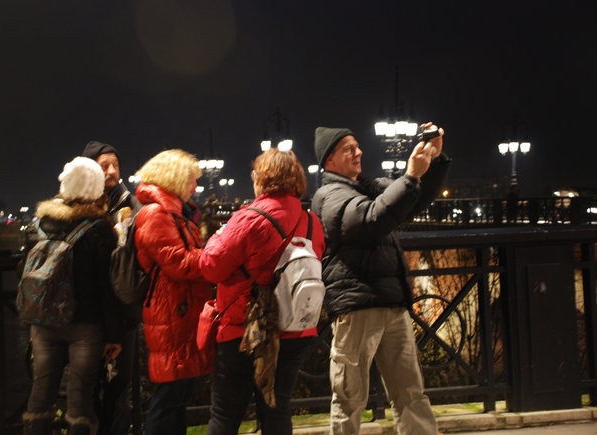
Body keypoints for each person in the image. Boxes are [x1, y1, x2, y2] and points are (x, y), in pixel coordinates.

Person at [311, 124, 451, 435]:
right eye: (349, 149)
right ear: (329, 160)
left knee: (410, 393)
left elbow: (411, 200)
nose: (359, 152)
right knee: (349, 396)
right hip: (357, 304)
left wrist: (433, 158)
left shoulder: (365, 186)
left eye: (357, 146)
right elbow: (369, 221)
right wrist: (411, 176)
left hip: (390, 302)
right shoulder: (330, 194)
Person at [199, 148, 325, 435]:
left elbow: (211, 267)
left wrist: (215, 239)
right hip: (295, 328)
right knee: (277, 409)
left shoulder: (248, 218)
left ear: (263, 178)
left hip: (245, 331)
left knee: (225, 415)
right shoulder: (311, 222)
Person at [22, 157, 123, 435]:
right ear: (96, 189)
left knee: (40, 394)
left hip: (43, 321)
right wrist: (115, 335)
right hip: (85, 325)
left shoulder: (38, 225)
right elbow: (108, 287)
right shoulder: (99, 228)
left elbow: (25, 268)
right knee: (79, 401)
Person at [132, 149, 213, 435]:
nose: (195, 185)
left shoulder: (175, 213)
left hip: (181, 310)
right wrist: (215, 256)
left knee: (179, 397)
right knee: (168, 397)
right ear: (175, 178)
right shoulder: (156, 213)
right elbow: (178, 263)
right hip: (170, 313)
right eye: (192, 179)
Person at [81, 140, 141, 435]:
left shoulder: (131, 204)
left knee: (119, 387)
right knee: (87, 387)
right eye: (105, 166)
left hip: (124, 311)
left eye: (116, 165)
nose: (112, 171)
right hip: (89, 313)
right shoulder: (78, 206)